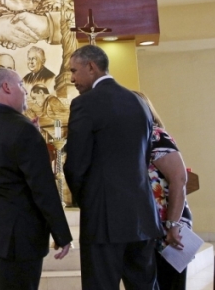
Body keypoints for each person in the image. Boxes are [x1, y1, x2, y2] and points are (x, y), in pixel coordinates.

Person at [64, 45, 163, 290]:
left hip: (104, 220)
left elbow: (76, 165)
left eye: (74, 71)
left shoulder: (85, 104)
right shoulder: (139, 101)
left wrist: (83, 200)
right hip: (142, 216)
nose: (72, 78)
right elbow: (145, 156)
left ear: (91, 67)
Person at [0, 68, 73, 290]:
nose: (25, 92)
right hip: (17, 237)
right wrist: (61, 233)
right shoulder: (23, 129)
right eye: (22, 86)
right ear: (7, 87)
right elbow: (41, 186)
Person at [135, 91, 192, 290]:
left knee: (170, 283)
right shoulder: (135, 138)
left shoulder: (155, 135)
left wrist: (173, 225)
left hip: (168, 225)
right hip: (149, 226)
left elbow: (179, 178)